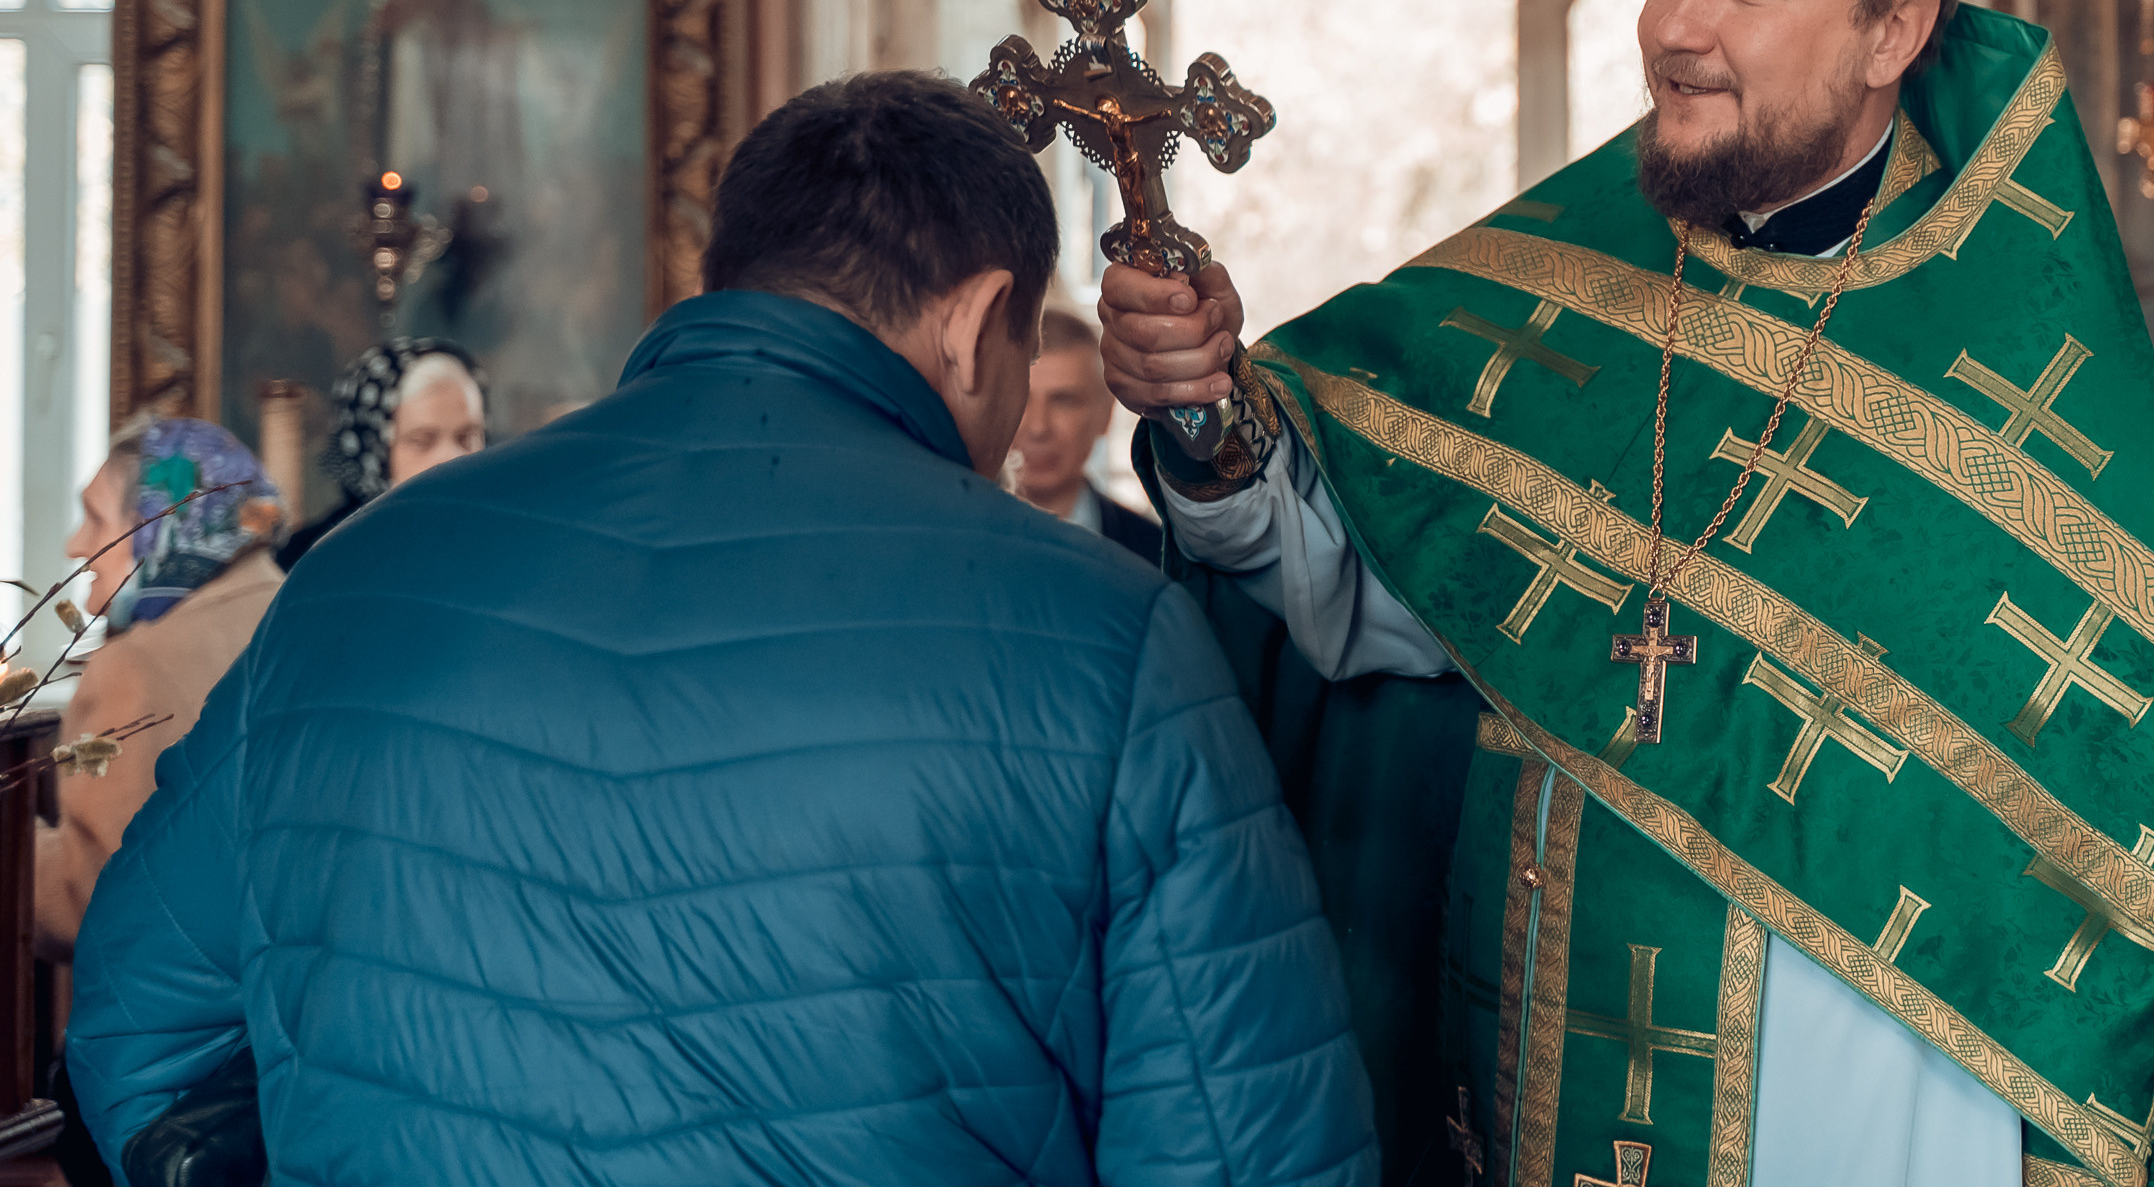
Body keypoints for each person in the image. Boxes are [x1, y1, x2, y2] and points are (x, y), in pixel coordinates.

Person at [1104, 0, 2154, 1187]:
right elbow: (1344, 592)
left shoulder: (2013, 357)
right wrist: (1208, 412)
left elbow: (2150, 802)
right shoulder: (1557, 289)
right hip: (1538, 1067)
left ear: (1893, 32)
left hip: (1870, 1116)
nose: (1672, 26)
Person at [69, 70, 1377, 1187]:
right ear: (985, 322)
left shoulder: (354, 577)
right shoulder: (1109, 641)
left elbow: (141, 1025)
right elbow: (1239, 1143)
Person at [39, 420, 286, 961]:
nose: (76, 545)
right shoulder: (299, 619)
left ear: (159, 525)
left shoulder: (134, 670)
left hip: (180, 1029)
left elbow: (98, 906)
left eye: (97, 518)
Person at [274, 340, 485, 569]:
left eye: (467, 438)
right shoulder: (319, 558)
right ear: (372, 449)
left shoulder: (498, 536)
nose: (452, 457)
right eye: (421, 440)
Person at [1012, 306, 1164, 563]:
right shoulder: (947, 545)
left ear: (1105, 415)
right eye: (1021, 399)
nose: (1038, 427)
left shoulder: (1155, 557)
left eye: (1064, 401)